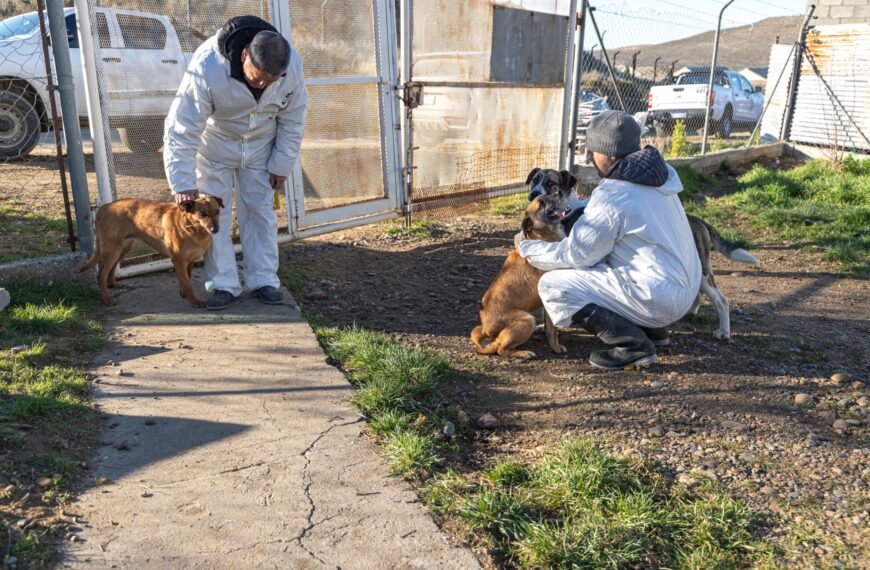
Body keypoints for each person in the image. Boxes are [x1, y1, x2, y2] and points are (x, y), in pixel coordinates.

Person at [515, 110, 701, 370]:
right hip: (685, 289)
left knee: (554, 285)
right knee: (614, 262)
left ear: (609, 153)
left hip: (659, 296)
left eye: (594, 151)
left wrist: (528, 248)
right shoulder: (659, 176)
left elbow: (577, 255)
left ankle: (633, 346)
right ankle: (654, 330)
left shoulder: (616, 193)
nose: (591, 158)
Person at [164, 15, 307, 310]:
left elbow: (294, 119)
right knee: (215, 217)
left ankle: (264, 279)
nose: (263, 85)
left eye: (271, 82)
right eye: (257, 78)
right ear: (244, 55)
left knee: (261, 212)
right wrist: (183, 183)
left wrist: (281, 164)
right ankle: (222, 284)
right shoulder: (207, 65)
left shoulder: (291, 66)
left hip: (260, 149)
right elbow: (182, 127)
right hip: (214, 147)